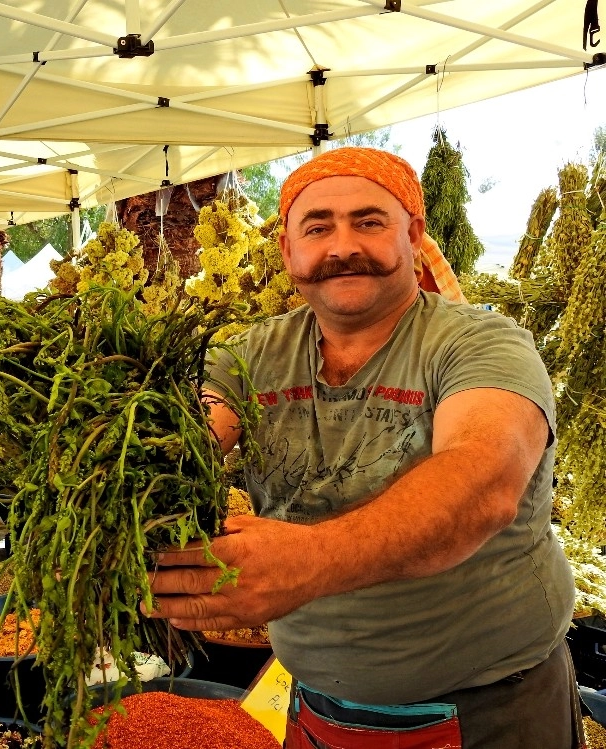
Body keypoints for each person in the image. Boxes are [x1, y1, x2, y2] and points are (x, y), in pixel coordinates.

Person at [147, 148, 580, 748]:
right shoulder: (250, 356)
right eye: (317, 227)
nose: (342, 245)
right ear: (288, 250)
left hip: (489, 707)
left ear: (414, 234)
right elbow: (183, 435)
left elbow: (483, 485)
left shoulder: (479, 343)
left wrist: (307, 561)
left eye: (369, 222)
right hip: (318, 702)